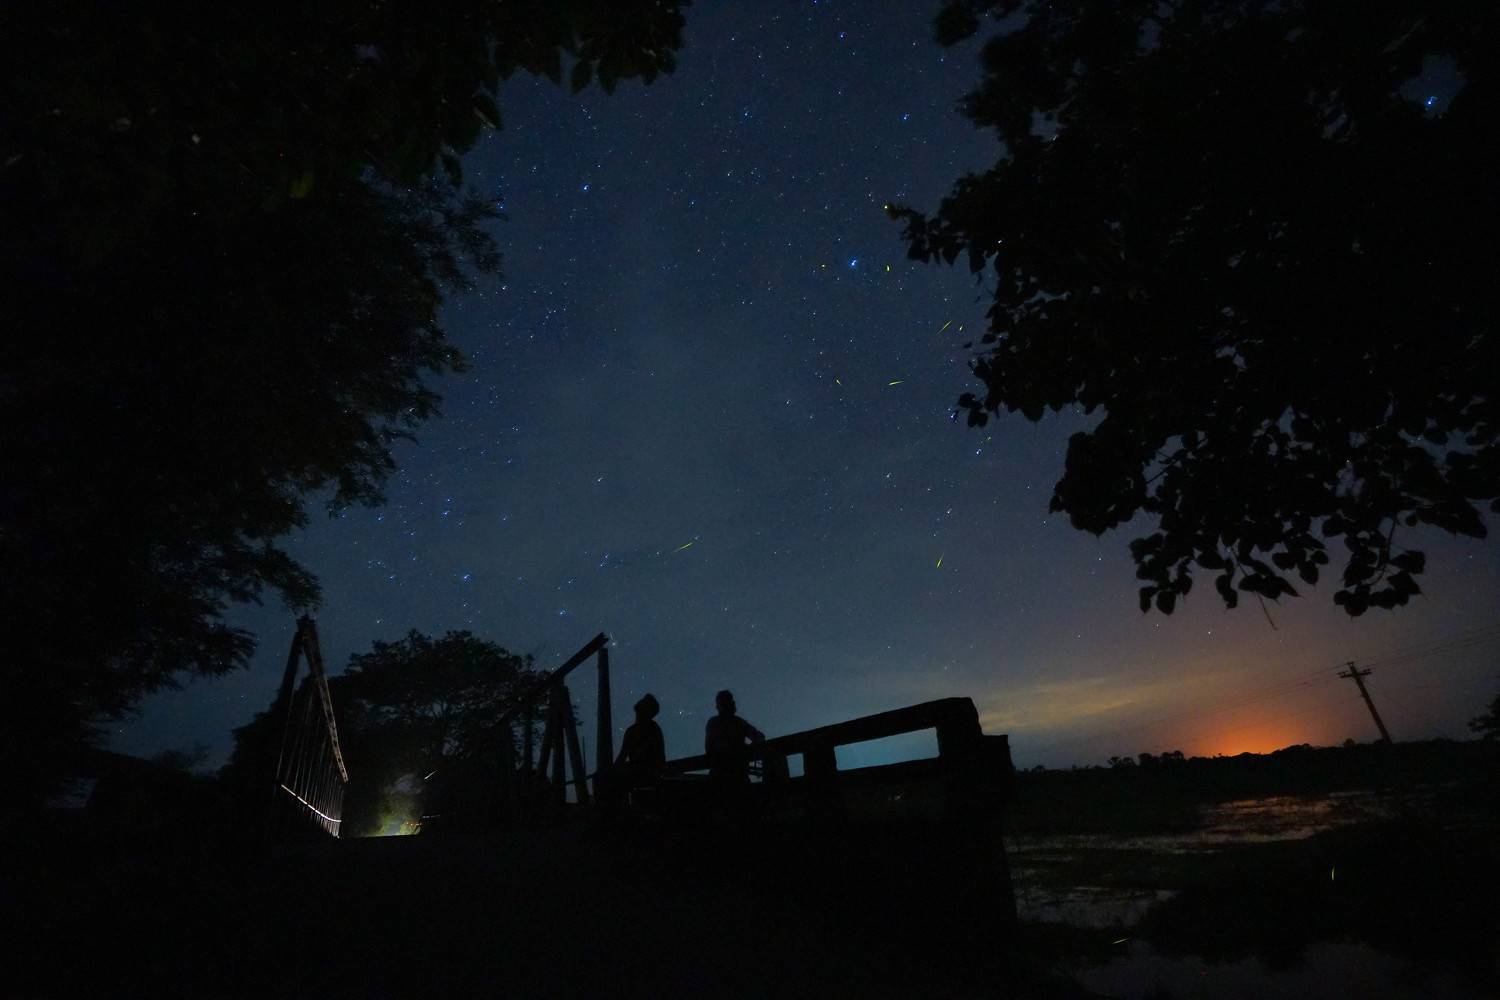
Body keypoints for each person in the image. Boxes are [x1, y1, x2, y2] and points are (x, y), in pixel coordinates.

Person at [607, 694, 665, 816]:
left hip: (644, 772)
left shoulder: (647, 730)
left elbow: (624, 756)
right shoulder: (635, 730)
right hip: (641, 772)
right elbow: (623, 755)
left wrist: (613, 771)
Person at [704, 689, 764, 784]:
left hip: (721, 774)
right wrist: (747, 750)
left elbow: (709, 748)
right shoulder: (738, 723)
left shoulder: (715, 723)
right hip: (734, 774)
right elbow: (759, 736)